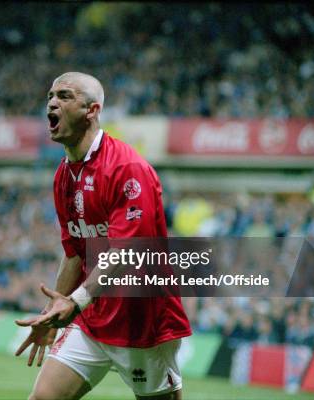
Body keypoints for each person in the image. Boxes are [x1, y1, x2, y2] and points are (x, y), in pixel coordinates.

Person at [15, 73, 192, 400]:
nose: (52, 103)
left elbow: (127, 253)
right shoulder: (63, 176)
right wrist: (51, 312)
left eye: (65, 96)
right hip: (92, 319)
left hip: (142, 321)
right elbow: (75, 253)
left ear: (91, 110)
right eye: (50, 96)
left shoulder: (127, 168)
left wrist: (75, 302)